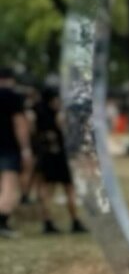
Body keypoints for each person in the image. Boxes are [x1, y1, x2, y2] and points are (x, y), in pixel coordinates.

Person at [31, 84, 87, 235]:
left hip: (45, 154)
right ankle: (74, 221)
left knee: (46, 190)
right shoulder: (59, 114)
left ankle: (48, 222)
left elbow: (33, 133)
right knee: (68, 188)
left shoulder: (35, 112)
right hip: (60, 155)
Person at [0, 68, 32, 238]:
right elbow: (19, 123)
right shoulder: (12, 97)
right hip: (8, 147)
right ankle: (2, 222)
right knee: (9, 186)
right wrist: (26, 149)